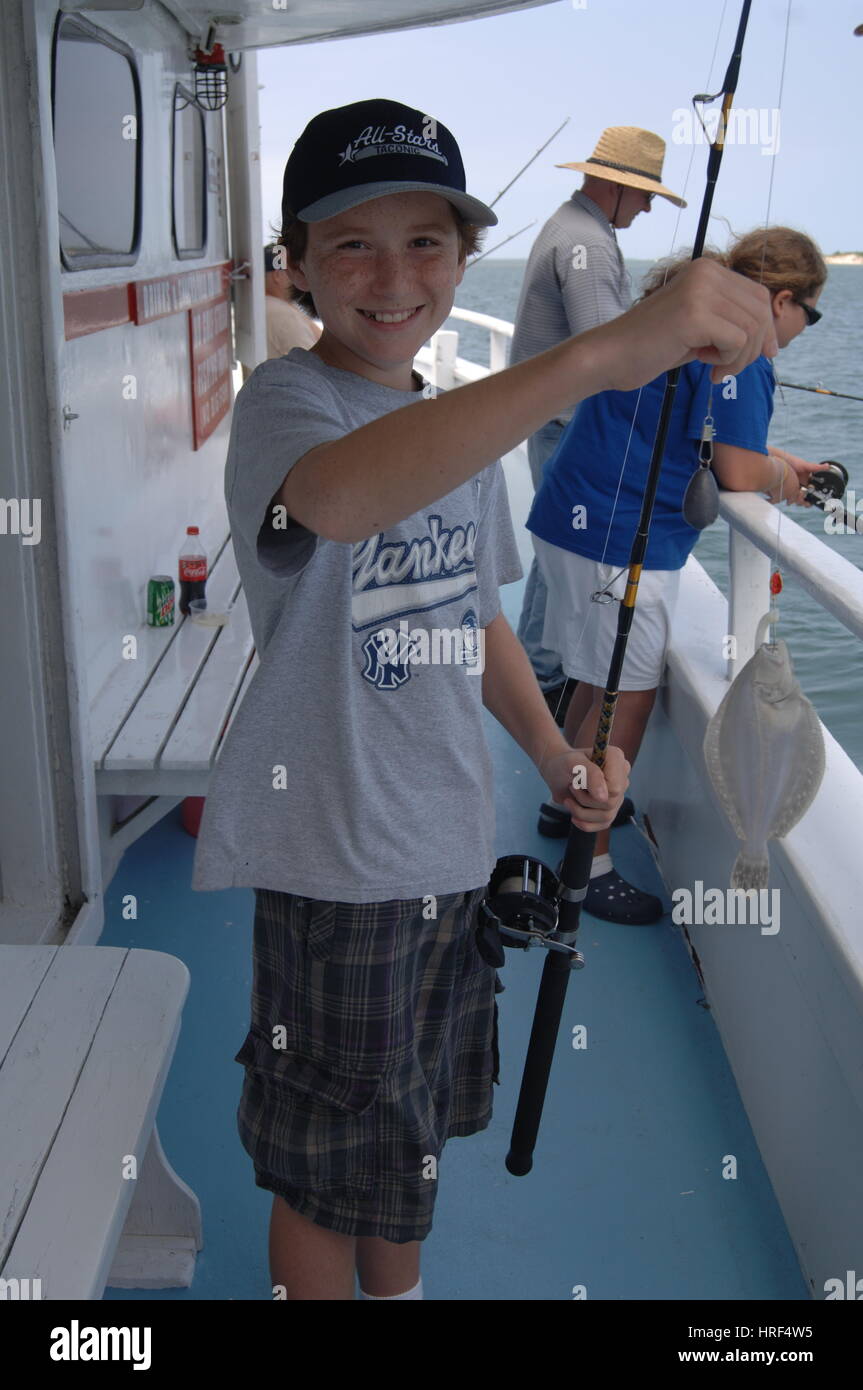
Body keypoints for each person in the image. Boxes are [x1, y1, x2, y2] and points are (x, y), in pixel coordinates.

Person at [190, 96, 776, 1301]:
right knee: (318, 1165)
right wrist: (602, 355)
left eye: (426, 242)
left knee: (405, 1141)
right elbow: (336, 500)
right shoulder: (285, 410)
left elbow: (481, 618)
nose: (392, 274)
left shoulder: (442, 424)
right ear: (296, 268)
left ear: (462, 263)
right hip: (335, 860)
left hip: (449, 847)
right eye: (350, 242)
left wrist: (560, 756)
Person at [526, 226, 829, 924]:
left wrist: (776, 459)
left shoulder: (685, 311)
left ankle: (562, 799)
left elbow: (706, 426)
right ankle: (588, 862)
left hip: (572, 514)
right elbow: (738, 470)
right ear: (782, 299)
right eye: (807, 314)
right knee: (625, 696)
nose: (803, 328)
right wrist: (784, 477)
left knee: (595, 677)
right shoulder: (745, 349)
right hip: (616, 536)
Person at [509, 127, 686, 727]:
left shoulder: (576, 226)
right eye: (644, 195)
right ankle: (542, 680)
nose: (648, 206)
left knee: (552, 553)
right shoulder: (586, 241)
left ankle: (540, 675)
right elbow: (608, 353)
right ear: (614, 185)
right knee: (560, 554)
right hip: (565, 426)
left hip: (551, 419)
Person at [263, 242, 321, 357]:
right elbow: (314, 363)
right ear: (277, 275)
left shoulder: (267, 306)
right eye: (294, 270)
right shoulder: (281, 314)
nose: (301, 277)